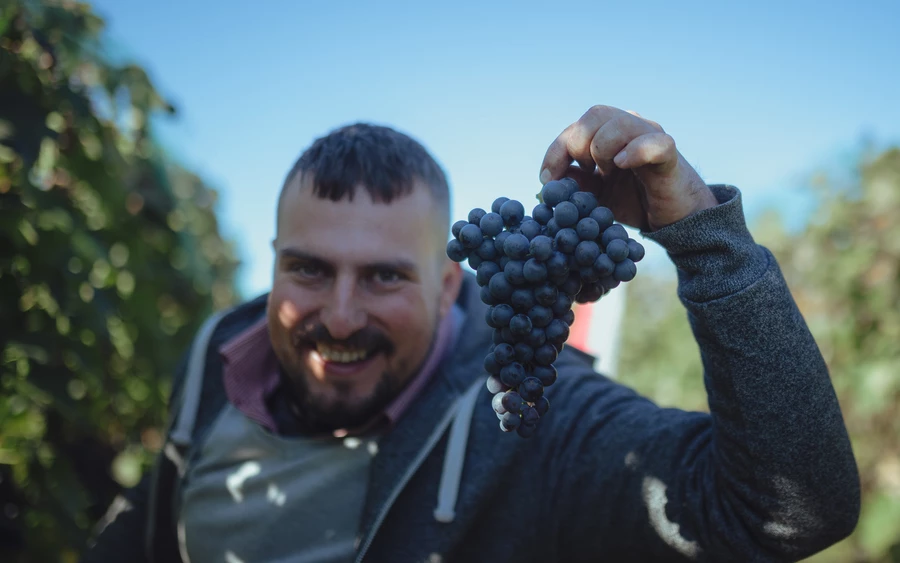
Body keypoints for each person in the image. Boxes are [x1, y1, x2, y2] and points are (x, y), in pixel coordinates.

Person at [82, 104, 860, 563]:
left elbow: (788, 511)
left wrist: (702, 234)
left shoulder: (535, 422)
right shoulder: (216, 362)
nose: (342, 316)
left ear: (452, 280)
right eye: (310, 269)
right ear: (274, 263)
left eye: (385, 276)